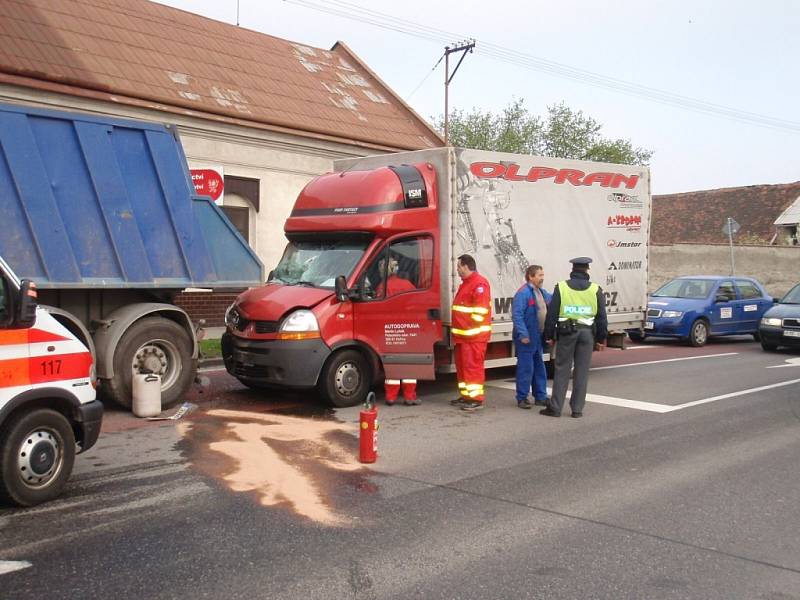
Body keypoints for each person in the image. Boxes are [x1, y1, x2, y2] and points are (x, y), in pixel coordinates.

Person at [541, 257, 607, 418]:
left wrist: (548, 335)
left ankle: (556, 408)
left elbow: (552, 314)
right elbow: (602, 317)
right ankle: (577, 410)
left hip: (567, 334)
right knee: (582, 372)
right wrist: (601, 339)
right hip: (587, 335)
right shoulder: (595, 289)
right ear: (587, 270)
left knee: (562, 370)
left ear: (573, 270)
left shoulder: (561, 287)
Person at [449, 254, 492, 412]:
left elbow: (480, 311)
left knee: (472, 368)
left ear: (466, 266)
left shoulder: (479, 283)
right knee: (463, 368)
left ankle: (476, 399)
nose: (457, 270)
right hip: (463, 336)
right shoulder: (467, 283)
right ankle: (466, 395)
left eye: (459, 266)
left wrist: (466, 326)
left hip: (473, 336)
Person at [377, 255, 420, 405]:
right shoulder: (407, 284)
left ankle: (391, 397)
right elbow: (418, 304)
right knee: (408, 365)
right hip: (408, 330)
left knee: (393, 366)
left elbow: (379, 309)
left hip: (391, 331)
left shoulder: (382, 287)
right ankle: (409, 396)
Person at [512, 265, 551, 409]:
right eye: (539, 275)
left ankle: (540, 396)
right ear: (531, 276)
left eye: (543, 274)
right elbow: (517, 315)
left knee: (539, 368)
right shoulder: (523, 293)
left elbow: (551, 300)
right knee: (525, 368)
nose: (542, 278)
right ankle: (522, 398)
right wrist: (523, 334)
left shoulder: (540, 292)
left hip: (536, 336)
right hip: (527, 337)